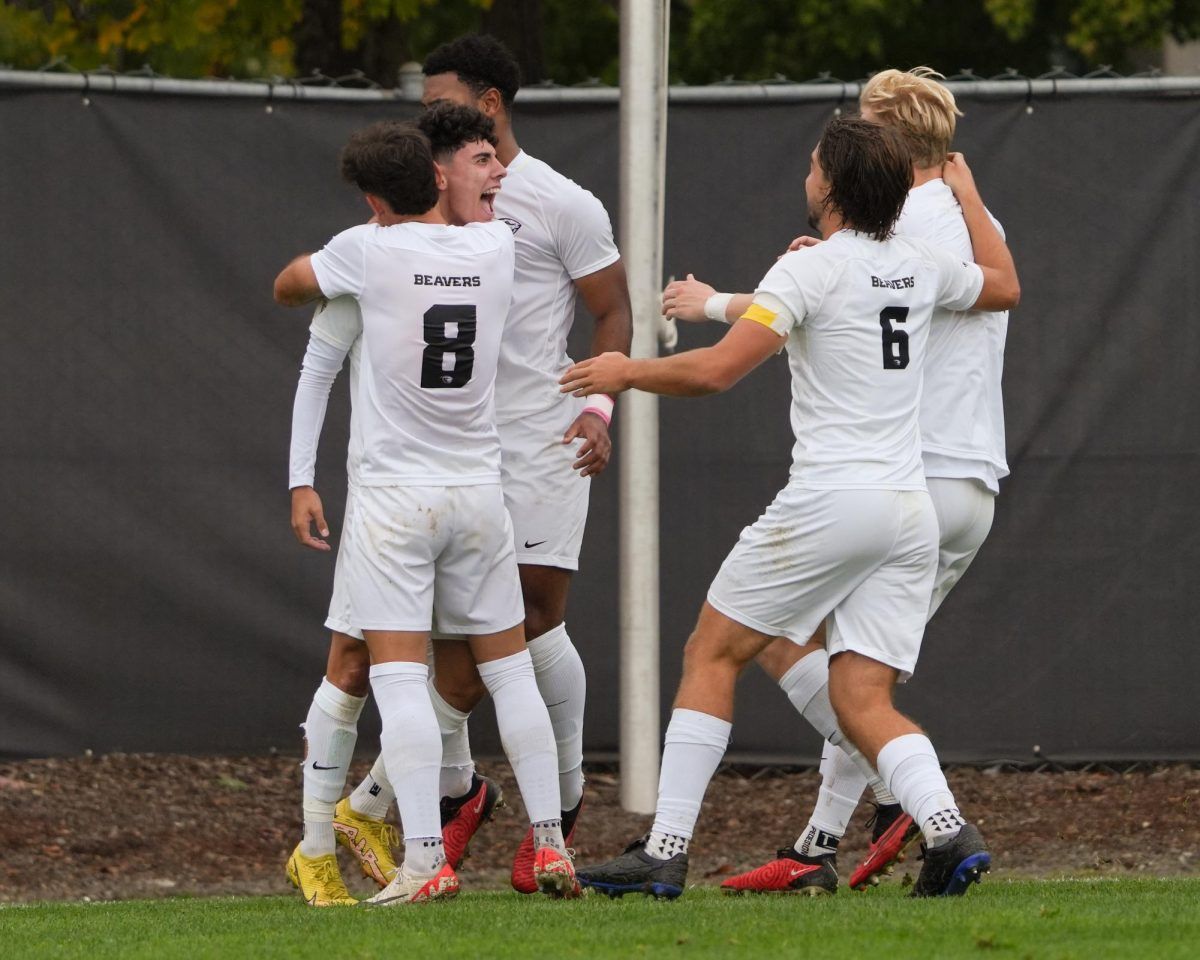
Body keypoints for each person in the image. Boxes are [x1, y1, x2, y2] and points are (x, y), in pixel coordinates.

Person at [561, 115, 1019, 899]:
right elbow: (1001, 283)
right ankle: (949, 834)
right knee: (861, 695)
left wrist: (623, 371)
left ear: (833, 189)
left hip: (834, 501)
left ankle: (664, 854)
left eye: (813, 166)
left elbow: (714, 373)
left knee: (712, 652)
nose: (806, 177)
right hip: (908, 511)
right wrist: (969, 199)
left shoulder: (809, 271)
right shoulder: (921, 265)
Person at [276, 119, 578, 906]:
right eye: (480, 165)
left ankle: (421, 858)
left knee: (397, 677)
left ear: (373, 199)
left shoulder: (365, 252)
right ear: (438, 179)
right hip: (480, 493)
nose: (493, 178)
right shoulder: (497, 249)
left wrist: (299, 477)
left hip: (393, 501)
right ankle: (550, 846)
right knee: (509, 673)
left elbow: (287, 284)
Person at [415, 32, 633, 895]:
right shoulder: (427, 199)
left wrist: (596, 406)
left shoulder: (559, 203)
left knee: (534, 614)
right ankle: (461, 791)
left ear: (491, 103)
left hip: (541, 441)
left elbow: (613, 314)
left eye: (445, 99)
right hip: (450, 444)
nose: (429, 113)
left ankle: (563, 800)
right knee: (452, 632)